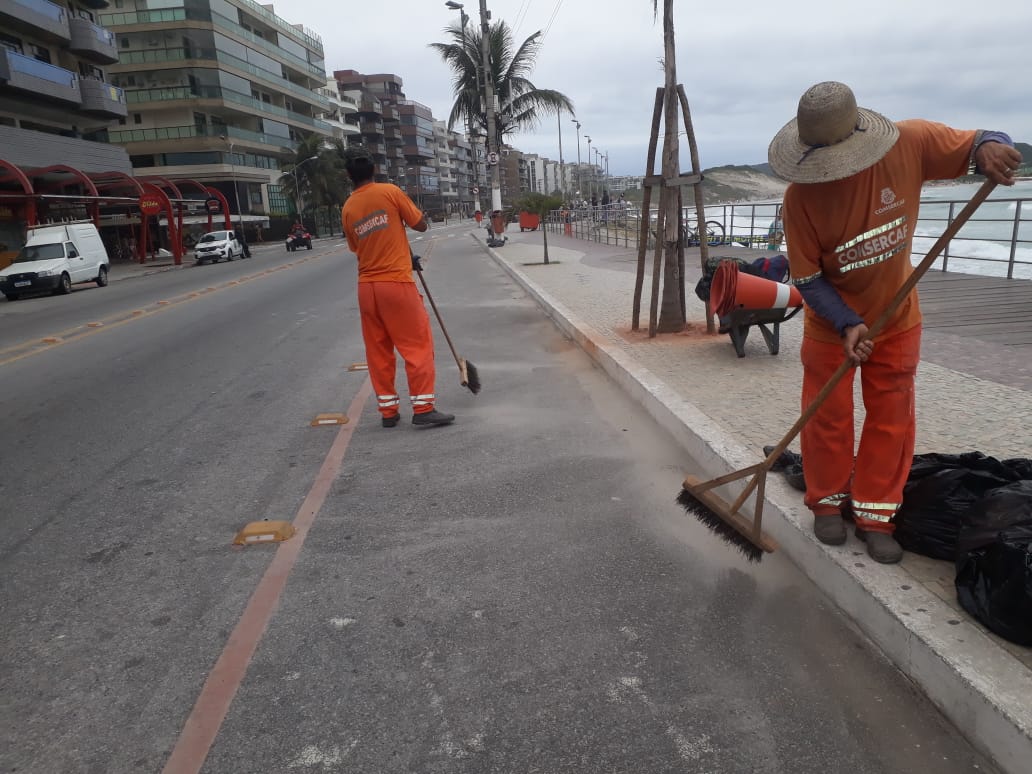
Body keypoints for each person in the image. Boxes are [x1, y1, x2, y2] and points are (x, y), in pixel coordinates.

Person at [767, 81, 1020, 564]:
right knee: (827, 417)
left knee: (892, 420)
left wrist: (994, 148)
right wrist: (846, 324)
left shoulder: (911, 143)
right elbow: (808, 279)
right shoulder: (800, 201)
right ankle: (827, 502)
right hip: (829, 324)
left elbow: (984, 137)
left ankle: (875, 515)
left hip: (898, 319)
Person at [340, 147, 455, 428]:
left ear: (349, 177)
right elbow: (420, 225)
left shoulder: (348, 207)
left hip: (367, 288)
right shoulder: (389, 192)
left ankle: (388, 412)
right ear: (374, 171)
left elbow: (358, 247)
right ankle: (423, 407)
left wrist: (403, 253)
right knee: (417, 345)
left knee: (378, 349)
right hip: (395, 284)